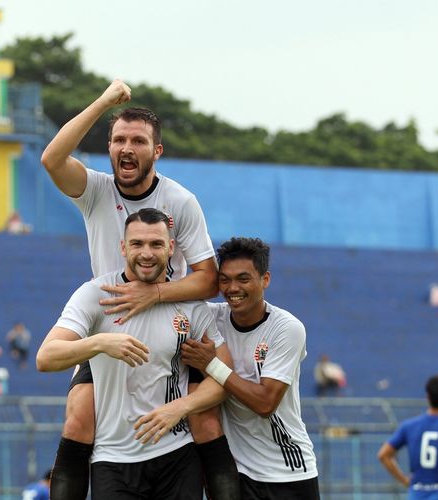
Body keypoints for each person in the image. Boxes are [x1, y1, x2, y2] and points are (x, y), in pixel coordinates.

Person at [40, 80, 236, 498]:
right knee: (78, 415)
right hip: (110, 322)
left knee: (203, 420)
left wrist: (155, 294)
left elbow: (208, 278)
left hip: (172, 325)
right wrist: (105, 101)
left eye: (138, 141)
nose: (127, 148)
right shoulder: (95, 190)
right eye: (119, 140)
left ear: (156, 151)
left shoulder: (180, 200)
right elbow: (52, 159)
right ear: (109, 147)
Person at [37, 209, 233, 499]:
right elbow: (46, 357)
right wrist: (101, 343)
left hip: (176, 455)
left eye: (156, 244)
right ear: (123, 247)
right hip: (114, 459)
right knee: (76, 419)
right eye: (137, 244)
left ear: (170, 248)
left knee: (209, 421)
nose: (146, 253)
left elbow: (225, 377)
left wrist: (180, 407)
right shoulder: (95, 294)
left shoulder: (191, 307)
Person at [177, 237, 320, 499]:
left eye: (243, 279)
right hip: (237, 474)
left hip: (287, 471)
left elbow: (265, 403)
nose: (233, 288)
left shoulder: (286, 328)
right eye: (225, 279)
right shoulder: (210, 318)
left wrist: (211, 364)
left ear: (265, 279)